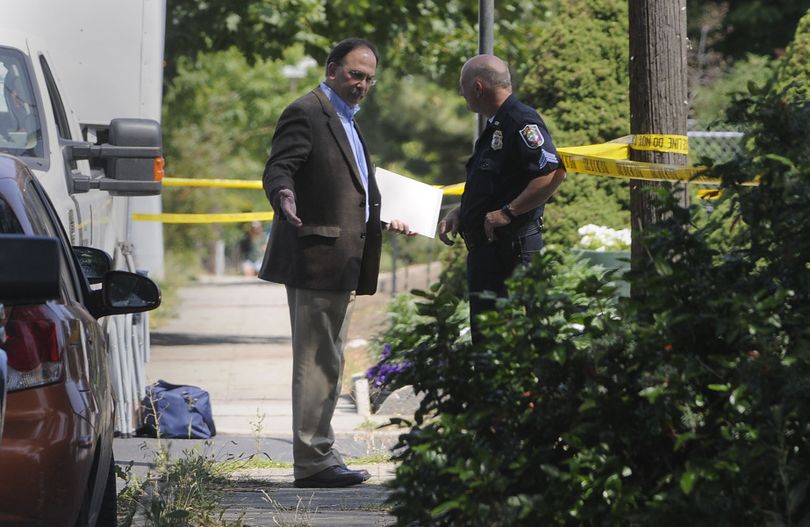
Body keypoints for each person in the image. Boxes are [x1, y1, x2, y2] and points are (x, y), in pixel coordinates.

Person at [258, 38, 413, 488]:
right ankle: (312, 461)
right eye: (355, 75)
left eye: (369, 78)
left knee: (329, 359)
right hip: (316, 257)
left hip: (343, 258)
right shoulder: (306, 112)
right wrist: (283, 195)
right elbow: (279, 168)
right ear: (331, 71)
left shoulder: (348, 120)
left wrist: (382, 218)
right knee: (316, 361)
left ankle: (320, 452)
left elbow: (354, 191)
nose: (362, 84)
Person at [438, 54, 566, 339]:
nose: (461, 93)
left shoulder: (521, 121)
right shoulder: (497, 124)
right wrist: (460, 212)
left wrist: (508, 212)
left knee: (520, 339)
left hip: (512, 249)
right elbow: (492, 183)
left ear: (478, 88)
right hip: (489, 253)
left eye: (463, 86)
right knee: (488, 341)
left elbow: (550, 174)